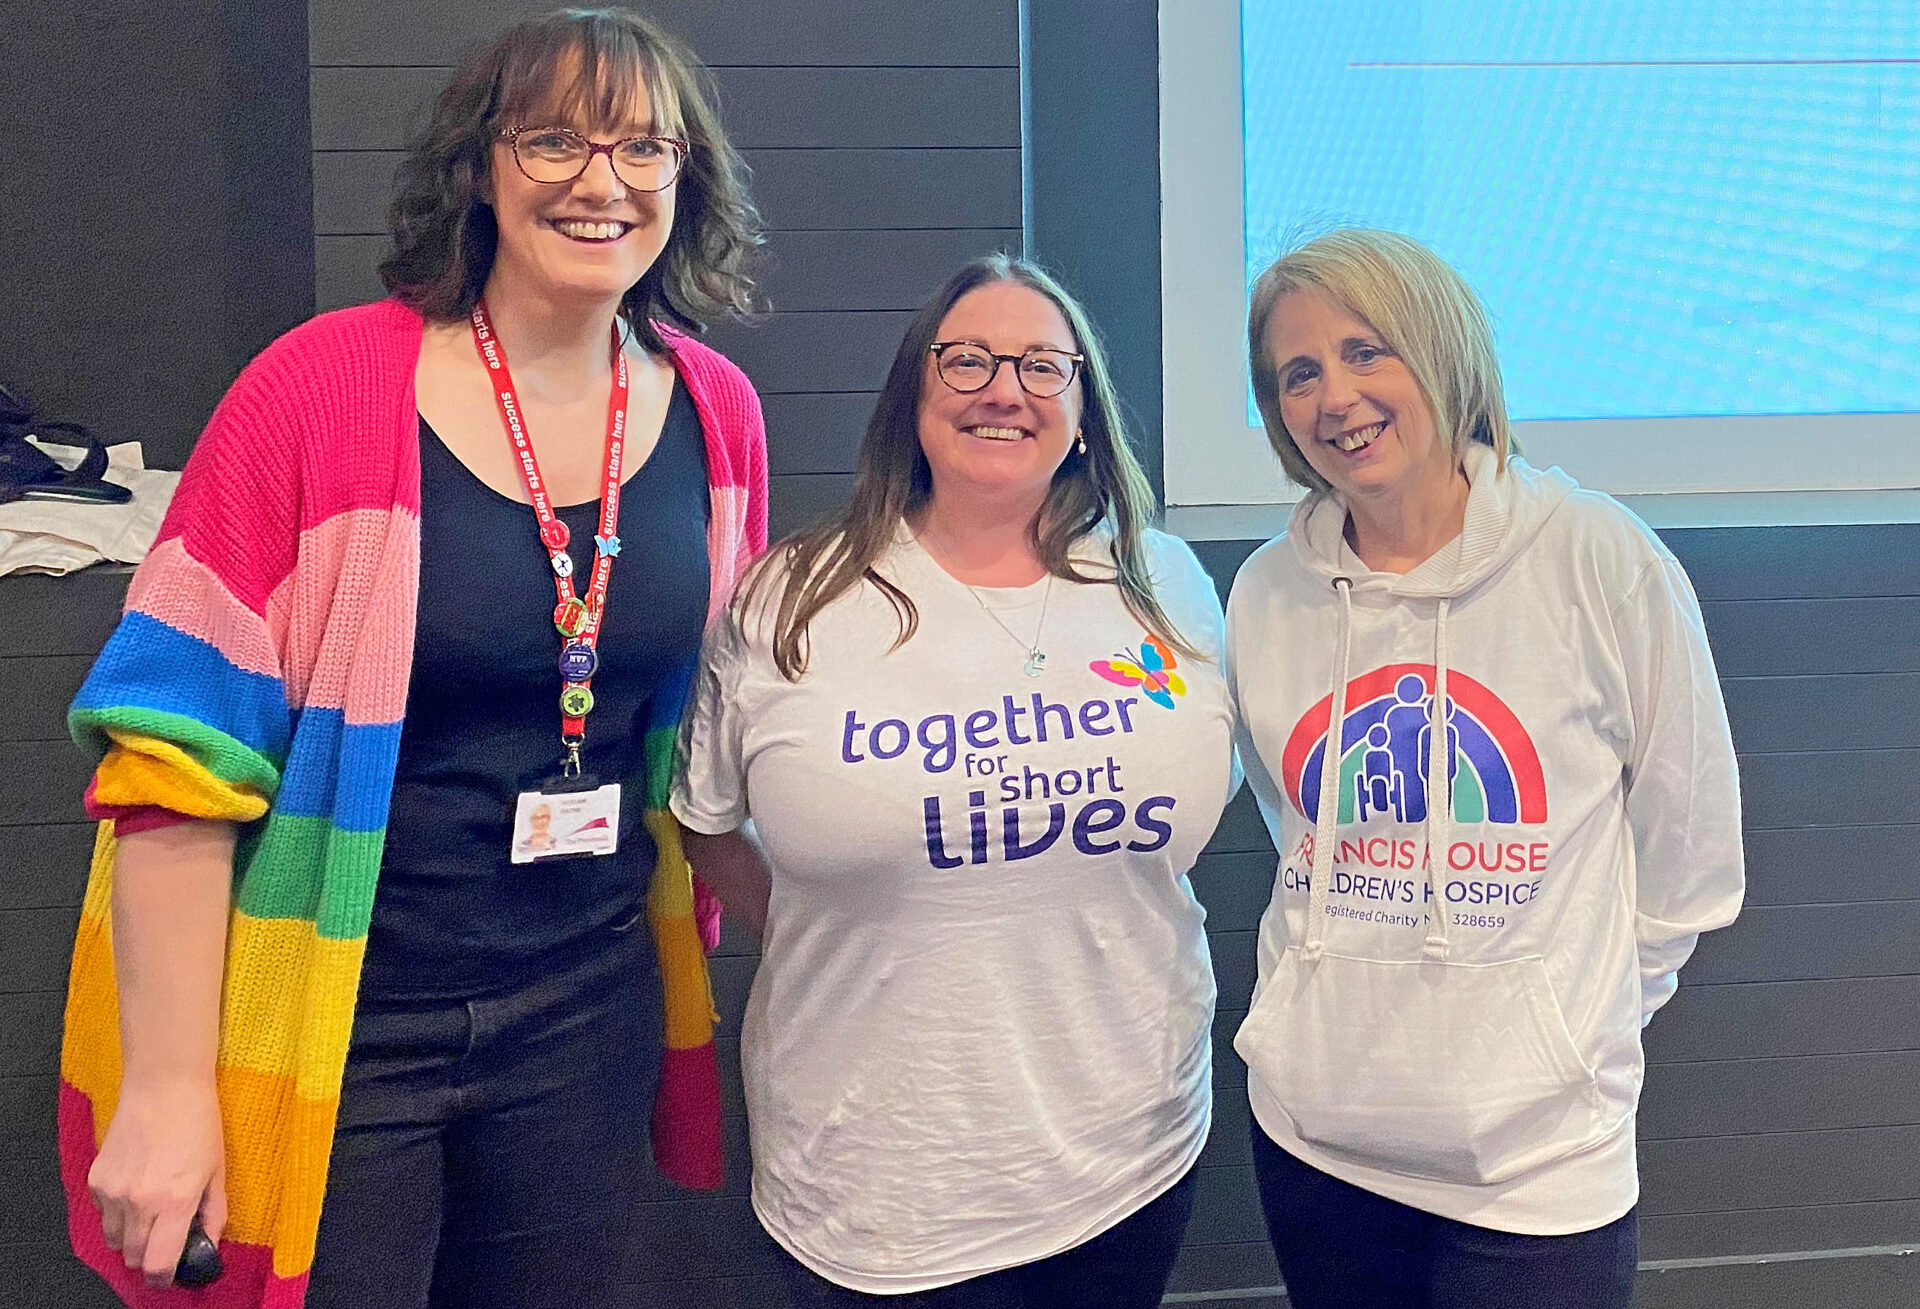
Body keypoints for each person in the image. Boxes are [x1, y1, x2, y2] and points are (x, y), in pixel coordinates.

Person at [59, 9, 766, 1307]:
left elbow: (711, 739)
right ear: (478, 166)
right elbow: (172, 751)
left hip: (587, 1006)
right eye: (554, 138)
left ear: (687, 175)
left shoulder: (716, 411)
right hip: (345, 1008)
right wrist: (164, 1093)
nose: (601, 181)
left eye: (641, 145)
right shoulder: (316, 393)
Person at [673, 255, 1237, 1307]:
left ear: (1082, 407)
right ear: (912, 396)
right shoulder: (791, 598)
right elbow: (707, 824)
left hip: (1132, 1148)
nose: (1003, 388)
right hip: (877, 1181)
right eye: (967, 359)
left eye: (1041, 365)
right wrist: (825, 926)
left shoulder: (1166, 588)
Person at [1226, 228, 1745, 1308]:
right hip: (1318, 1141)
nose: (1336, 397)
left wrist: (1558, 1032)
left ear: (1445, 356)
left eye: (1369, 351)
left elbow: (1692, 858)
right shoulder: (1269, 592)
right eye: (1300, 373)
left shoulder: (1600, 557)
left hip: (1536, 1165)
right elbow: (1304, 826)